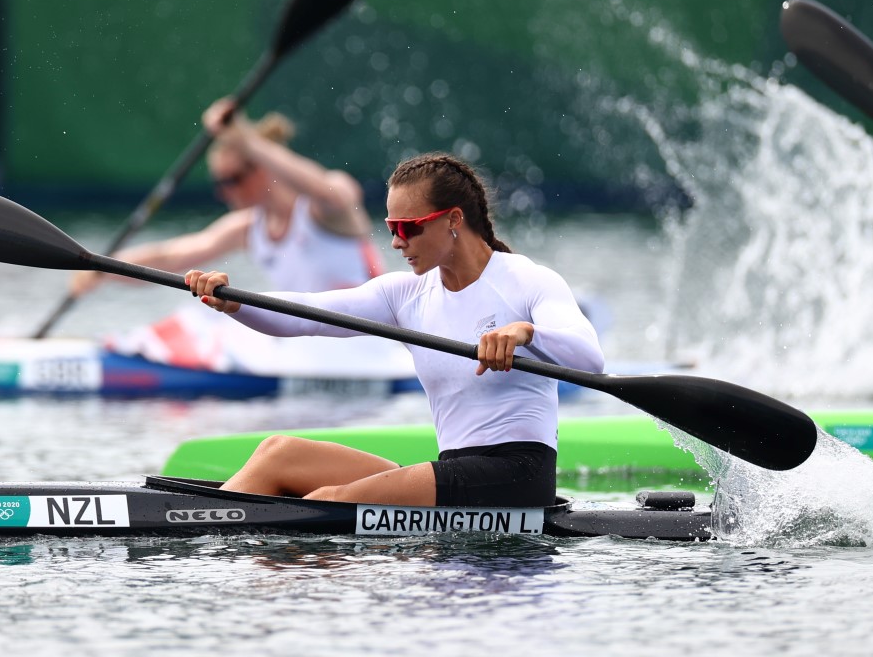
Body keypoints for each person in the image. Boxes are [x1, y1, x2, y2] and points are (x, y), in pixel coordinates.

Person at [185, 152, 604, 508]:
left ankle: (213, 542)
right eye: (391, 229)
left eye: (409, 227)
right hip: (455, 472)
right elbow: (307, 313)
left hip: (516, 477)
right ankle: (199, 538)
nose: (397, 243)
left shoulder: (526, 281)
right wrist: (234, 301)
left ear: (454, 219)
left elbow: (590, 358)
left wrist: (527, 334)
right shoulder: (405, 295)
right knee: (278, 454)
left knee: (327, 502)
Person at [70, 97, 383, 299]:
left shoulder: (326, 205)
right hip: (311, 346)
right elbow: (170, 256)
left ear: (261, 168)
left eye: (231, 180)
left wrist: (244, 139)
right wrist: (101, 268)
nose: (223, 191)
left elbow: (324, 189)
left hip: (369, 346)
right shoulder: (250, 226)